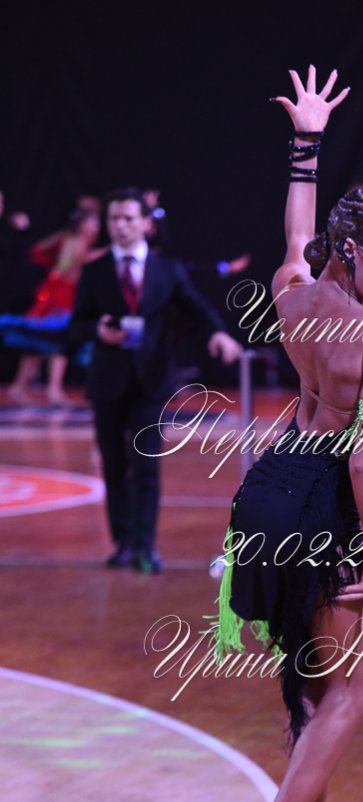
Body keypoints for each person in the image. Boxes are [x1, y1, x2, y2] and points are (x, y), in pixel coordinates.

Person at [217, 67, 363, 802]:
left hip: (266, 491)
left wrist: (307, 142)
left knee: (306, 686)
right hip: (322, 506)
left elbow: (296, 234)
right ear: (355, 248)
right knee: (356, 687)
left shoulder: (293, 293)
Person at [69, 187, 242, 573]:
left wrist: (218, 332)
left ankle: (146, 546)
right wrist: (97, 331)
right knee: (114, 465)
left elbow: (196, 307)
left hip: (151, 380)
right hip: (107, 381)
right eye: (114, 218)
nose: (121, 225)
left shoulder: (167, 269)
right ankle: (124, 542)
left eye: (129, 218)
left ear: (145, 224)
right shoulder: (95, 270)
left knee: (146, 466)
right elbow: (75, 326)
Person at [8, 206, 104, 406]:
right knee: (56, 341)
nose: (97, 226)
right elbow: (72, 263)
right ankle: (51, 388)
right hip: (59, 295)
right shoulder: (76, 240)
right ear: (83, 224)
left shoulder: (66, 237)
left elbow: (41, 251)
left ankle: (24, 387)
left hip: (57, 291)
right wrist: (108, 252)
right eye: (93, 222)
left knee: (39, 342)